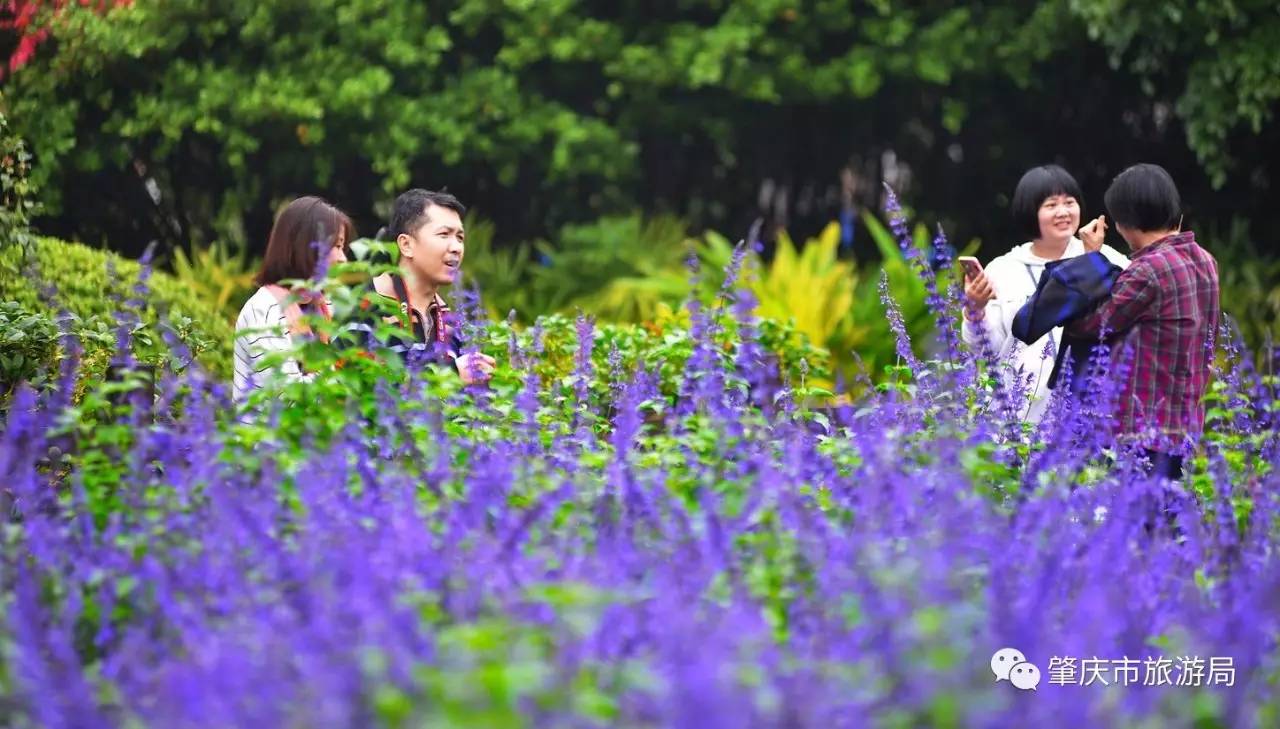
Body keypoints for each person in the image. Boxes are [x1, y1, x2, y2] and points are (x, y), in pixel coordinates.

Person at [1067, 163, 1220, 479]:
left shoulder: (1148, 271)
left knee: (1139, 525)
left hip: (1144, 433)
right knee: (1169, 521)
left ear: (1126, 223)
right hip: (1186, 425)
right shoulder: (1206, 260)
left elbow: (1089, 325)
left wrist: (1090, 259)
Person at [962, 165, 1130, 422]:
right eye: (1051, 205)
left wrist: (1091, 262)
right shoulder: (1004, 269)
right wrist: (975, 309)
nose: (1063, 212)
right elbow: (987, 348)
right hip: (1018, 417)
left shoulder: (1106, 258)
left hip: (1087, 412)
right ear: (1030, 212)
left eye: (1069, 202)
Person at [363, 188, 496, 384]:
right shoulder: (365, 306)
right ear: (406, 245)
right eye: (444, 234)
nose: (456, 247)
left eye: (460, 237)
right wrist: (452, 375)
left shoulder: (450, 323)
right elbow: (357, 393)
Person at [233, 196, 352, 400]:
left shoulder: (324, 307)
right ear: (308, 246)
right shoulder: (265, 309)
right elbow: (285, 397)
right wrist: (344, 375)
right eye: (337, 246)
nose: (343, 259)